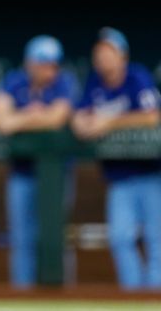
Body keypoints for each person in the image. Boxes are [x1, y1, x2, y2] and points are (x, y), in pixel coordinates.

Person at [71, 28, 161, 290]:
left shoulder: (137, 76)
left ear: (122, 56)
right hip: (120, 178)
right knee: (120, 238)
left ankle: (155, 296)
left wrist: (108, 122)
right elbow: (80, 115)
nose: (103, 59)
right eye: (99, 54)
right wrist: (80, 122)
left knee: (157, 240)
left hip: (152, 173)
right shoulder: (94, 83)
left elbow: (153, 116)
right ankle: (133, 297)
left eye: (109, 52)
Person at [0, 36, 77, 288]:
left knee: (54, 237)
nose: (47, 69)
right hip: (22, 173)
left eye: (51, 64)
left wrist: (16, 120)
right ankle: (23, 296)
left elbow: (56, 118)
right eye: (41, 63)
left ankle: (62, 297)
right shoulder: (15, 81)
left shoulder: (64, 82)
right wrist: (30, 115)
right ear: (29, 63)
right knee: (21, 239)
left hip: (57, 175)